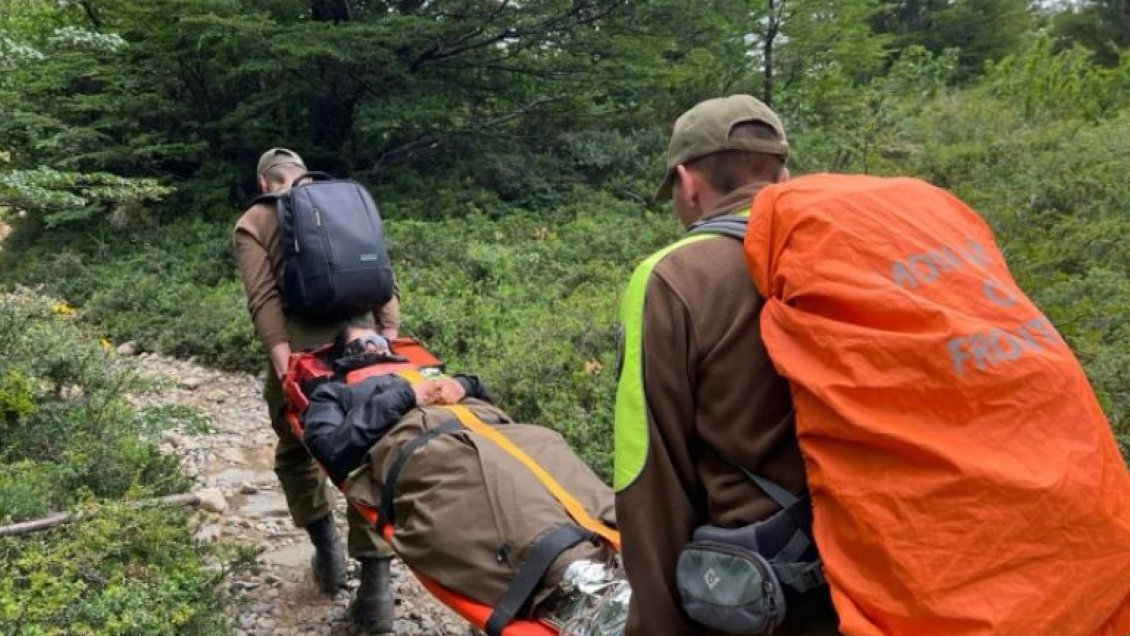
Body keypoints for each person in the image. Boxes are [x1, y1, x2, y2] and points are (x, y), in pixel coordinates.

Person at [612, 95, 839, 635]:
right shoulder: (848, 251)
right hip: (870, 575)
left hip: (761, 593)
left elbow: (649, 473)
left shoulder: (674, 277)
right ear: (783, 174)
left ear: (688, 182)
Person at [233, 147, 399, 633]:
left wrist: (282, 360)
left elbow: (262, 297)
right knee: (369, 451)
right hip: (366, 337)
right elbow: (383, 272)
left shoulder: (255, 220)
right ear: (303, 176)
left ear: (266, 183)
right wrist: (387, 335)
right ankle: (376, 589)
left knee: (295, 452)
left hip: (304, 347)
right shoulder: (347, 201)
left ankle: (327, 553)